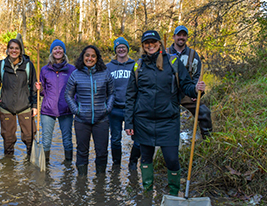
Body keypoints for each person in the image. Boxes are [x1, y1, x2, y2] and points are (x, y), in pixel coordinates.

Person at [124, 31, 205, 195]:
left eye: (153, 42)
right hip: (143, 121)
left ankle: (174, 193)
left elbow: (187, 85)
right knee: (146, 158)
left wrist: (196, 89)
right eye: (147, 43)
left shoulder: (173, 62)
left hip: (168, 121)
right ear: (143, 46)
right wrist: (129, 122)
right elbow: (130, 96)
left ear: (159, 44)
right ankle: (147, 192)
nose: (150, 45)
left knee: (172, 159)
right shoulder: (137, 66)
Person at [65, 45, 115, 175]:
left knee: (102, 151)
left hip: (101, 119)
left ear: (97, 58)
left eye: (93, 56)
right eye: (87, 55)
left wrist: (107, 108)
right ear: (83, 57)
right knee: (82, 151)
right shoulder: (76, 74)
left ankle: (100, 180)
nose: (90, 58)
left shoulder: (105, 73)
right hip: (82, 120)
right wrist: (77, 110)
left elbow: (112, 94)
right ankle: (82, 181)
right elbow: (68, 95)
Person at [0, 39, 37, 156]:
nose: (14, 50)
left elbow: (33, 87)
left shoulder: (28, 66)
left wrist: (35, 106)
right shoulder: (1, 65)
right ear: (7, 50)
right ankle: (8, 166)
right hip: (6, 107)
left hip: (25, 106)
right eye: (11, 48)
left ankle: (30, 163)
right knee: (8, 139)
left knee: (29, 137)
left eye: (17, 48)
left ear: (21, 50)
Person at [168, 25, 213, 139]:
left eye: (184, 35)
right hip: (169, 93)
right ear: (174, 36)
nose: (181, 38)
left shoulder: (193, 55)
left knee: (204, 112)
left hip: (186, 92)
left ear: (187, 37)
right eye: (179, 35)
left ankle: (207, 141)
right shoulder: (165, 53)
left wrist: (195, 91)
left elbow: (197, 75)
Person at [35, 39, 76, 162]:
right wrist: (39, 88)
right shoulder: (44, 70)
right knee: (46, 141)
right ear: (51, 52)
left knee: (67, 141)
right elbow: (43, 92)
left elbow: (76, 89)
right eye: (55, 49)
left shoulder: (72, 69)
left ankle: (68, 169)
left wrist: (73, 105)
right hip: (48, 110)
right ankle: (45, 167)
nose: (57, 50)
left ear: (64, 51)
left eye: (60, 48)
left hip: (66, 110)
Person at [106, 37, 136, 167]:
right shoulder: (108, 67)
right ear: (115, 50)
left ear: (127, 49)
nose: (121, 49)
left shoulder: (135, 65)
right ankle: (116, 164)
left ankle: (133, 163)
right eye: (119, 48)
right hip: (114, 109)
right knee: (115, 139)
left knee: (138, 139)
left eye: (124, 47)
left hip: (132, 108)